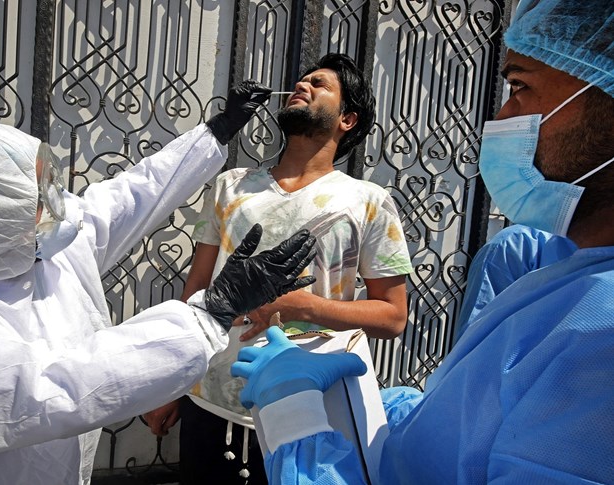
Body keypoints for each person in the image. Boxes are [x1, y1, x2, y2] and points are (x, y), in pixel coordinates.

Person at [0, 81, 322, 485]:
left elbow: (129, 196)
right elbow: (47, 387)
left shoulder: (39, 247)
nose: (58, 202)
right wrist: (205, 314)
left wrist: (214, 134)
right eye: (37, 196)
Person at [231, 0, 614, 483]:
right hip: (234, 389)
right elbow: (467, 423)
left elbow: (392, 313)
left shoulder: (602, 337)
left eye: (519, 87)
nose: (501, 114)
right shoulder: (559, 282)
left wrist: (295, 409)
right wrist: (399, 412)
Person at [144, 53, 412, 484]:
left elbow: (392, 316)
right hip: (211, 402)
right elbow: (195, 287)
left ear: (348, 119)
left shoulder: (369, 202)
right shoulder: (231, 185)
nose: (302, 86)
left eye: (320, 84)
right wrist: (172, 383)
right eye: (301, 81)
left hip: (304, 417)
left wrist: (304, 306)